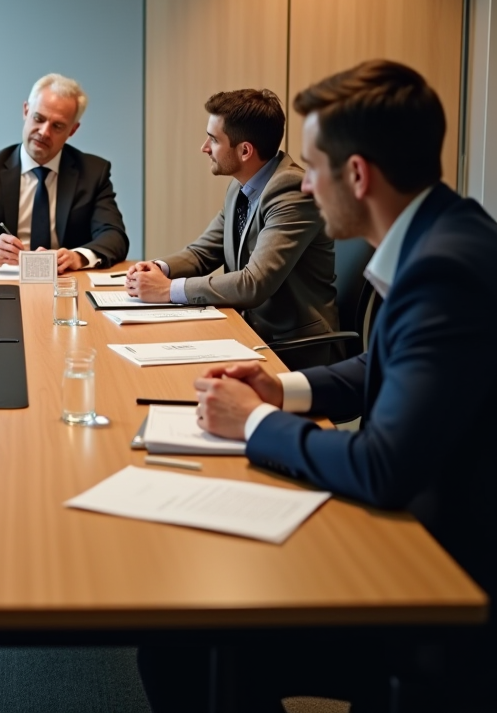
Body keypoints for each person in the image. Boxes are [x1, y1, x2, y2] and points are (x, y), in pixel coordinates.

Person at [139, 61, 497, 711]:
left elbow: (384, 465)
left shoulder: (443, 270)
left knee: (179, 641)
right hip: (429, 526)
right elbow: (378, 366)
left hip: (449, 579)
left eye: (310, 166)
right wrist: (283, 391)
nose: (302, 182)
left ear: (356, 175)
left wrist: (251, 423)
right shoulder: (443, 231)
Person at [125, 88, 338, 364]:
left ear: (245, 150)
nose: (204, 147)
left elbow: (254, 283)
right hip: (245, 334)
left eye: (213, 139)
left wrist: (167, 290)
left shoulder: (291, 190)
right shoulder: (240, 188)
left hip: (291, 349)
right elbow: (202, 252)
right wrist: (158, 268)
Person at [0, 73, 129, 272]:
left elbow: (114, 237)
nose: (44, 132)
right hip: (4, 283)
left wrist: (77, 257)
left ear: (72, 130)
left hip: (65, 282)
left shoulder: (92, 173)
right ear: (26, 110)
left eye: (57, 126)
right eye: (38, 118)